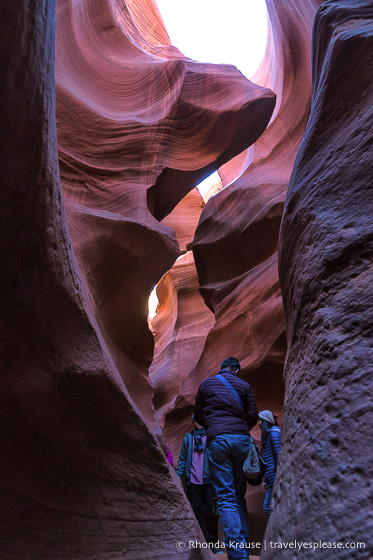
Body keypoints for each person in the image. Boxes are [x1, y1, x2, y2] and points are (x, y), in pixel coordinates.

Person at [194, 357, 258, 560]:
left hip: (218, 441)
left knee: (226, 497)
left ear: (221, 368)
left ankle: (237, 554)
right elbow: (252, 415)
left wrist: (215, 426)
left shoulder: (206, 384)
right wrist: (238, 429)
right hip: (241, 440)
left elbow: (198, 415)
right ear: (236, 370)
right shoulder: (244, 385)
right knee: (239, 496)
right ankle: (244, 549)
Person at [176, 416, 220, 553]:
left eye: (201, 420)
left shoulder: (210, 437)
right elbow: (182, 459)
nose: (199, 423)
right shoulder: (188, 439)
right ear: (193, 422)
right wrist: (178, 477)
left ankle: (214, 544)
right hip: (193, 482)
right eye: (196, 420)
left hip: (208, 481)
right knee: (196, 513)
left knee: (211, 513)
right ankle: (199, 545)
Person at [258, 410, 281, 518]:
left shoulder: (274, 434)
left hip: (275, 477)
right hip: (271, 478)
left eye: (260, 420)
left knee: (268, 507)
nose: (259, 423)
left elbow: (278, 455)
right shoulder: (268, 436)